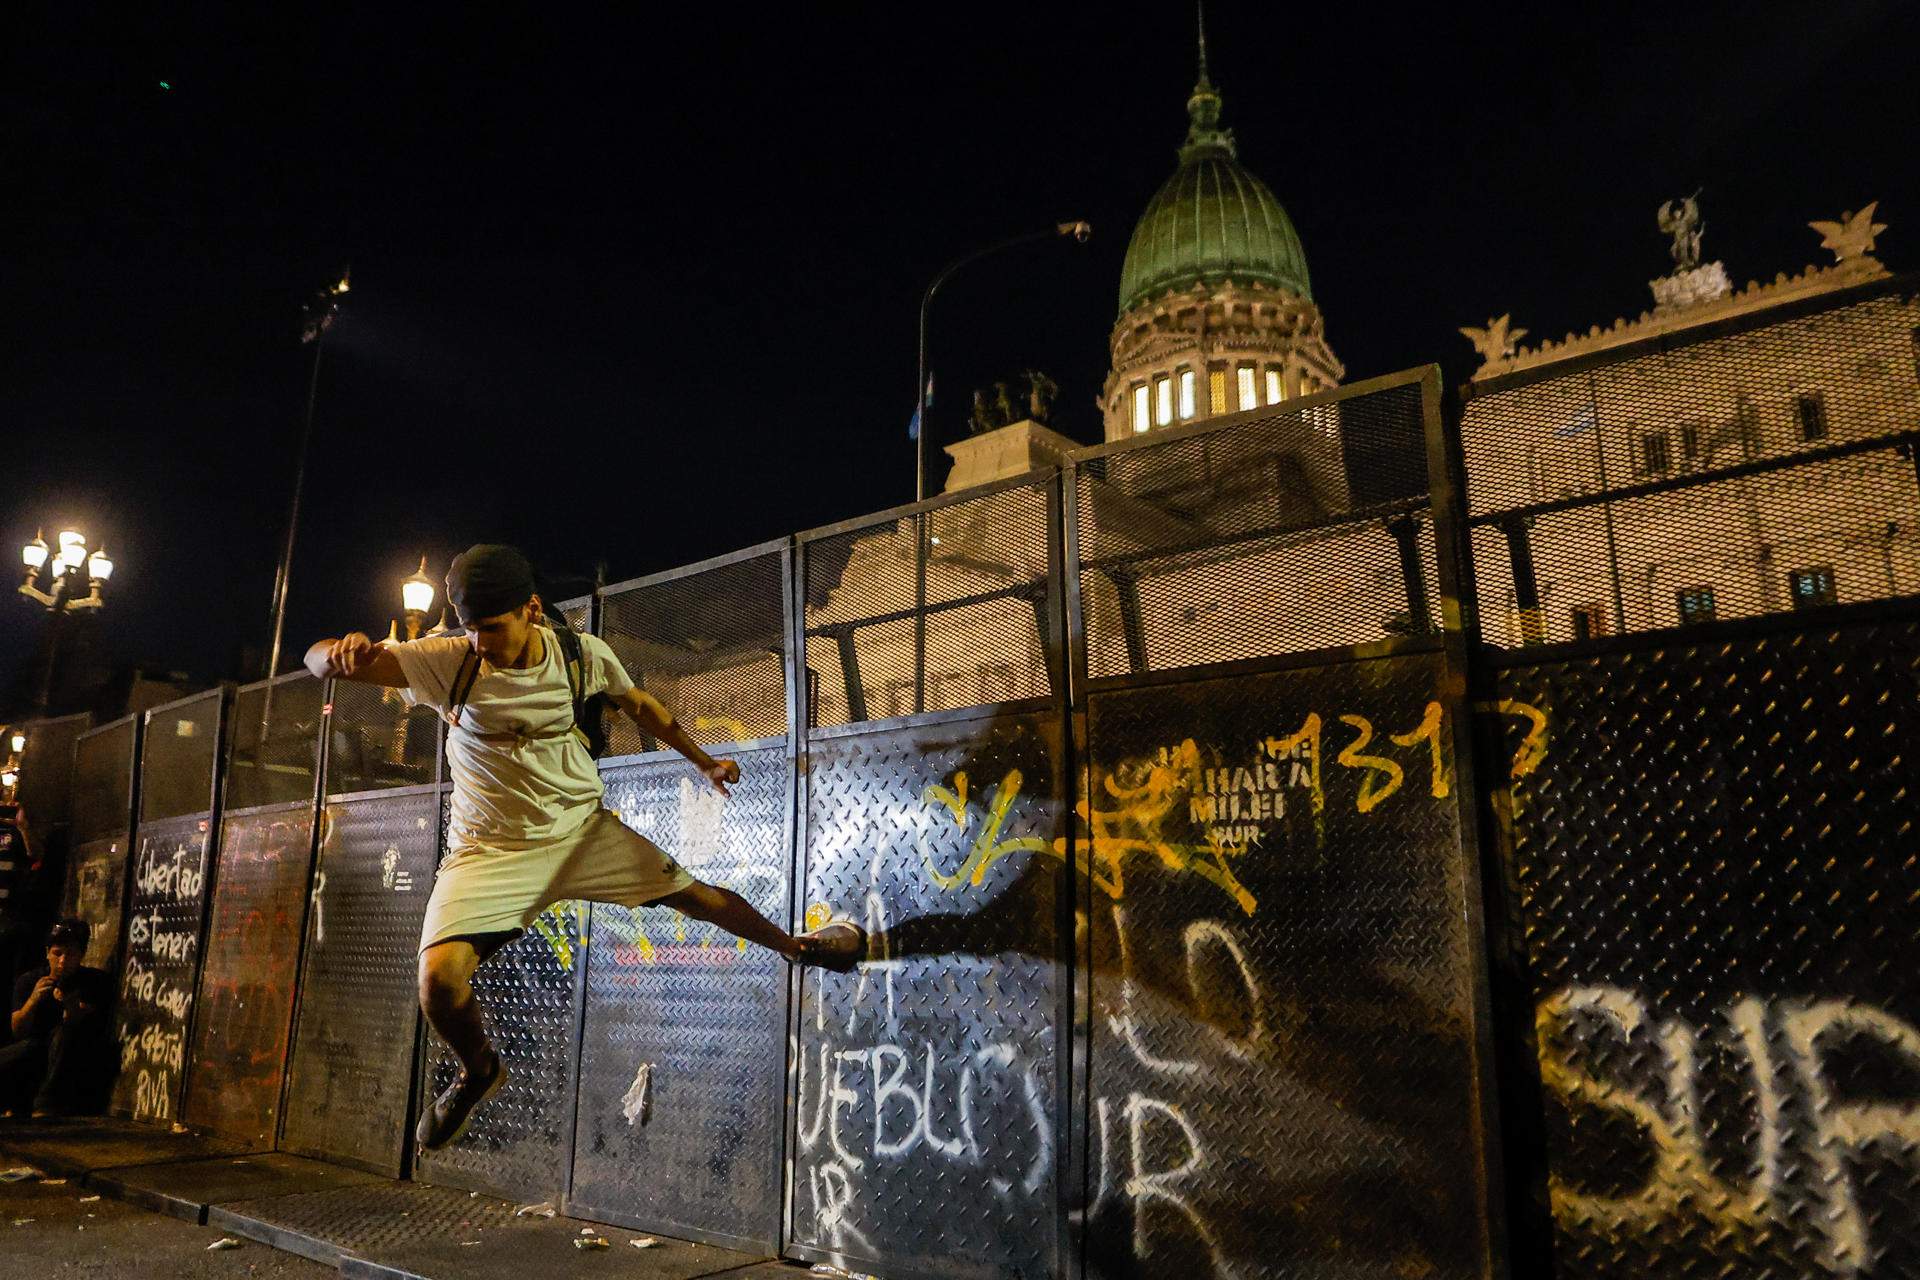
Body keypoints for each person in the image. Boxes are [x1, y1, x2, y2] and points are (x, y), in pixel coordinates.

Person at [304, 544, 864, 1152]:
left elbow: (640, 705)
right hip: (488, 851)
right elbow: (318, 661)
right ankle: (479, 1071)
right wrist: (336, 652)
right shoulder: (448, 661)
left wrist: (703, 762)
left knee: (697, 897)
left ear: (531, 610)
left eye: (493, 627)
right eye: (470, 628)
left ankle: (798, 947)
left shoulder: (580, 655)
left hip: (580, 831)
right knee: (438, 982)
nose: (481, 642)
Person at [1, 918, 116, 1117]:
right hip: (35, 1051)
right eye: (57, 953)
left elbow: (86, 1032)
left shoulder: (94, 981)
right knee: (22, 1051)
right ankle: (13, 1102)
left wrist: (71, 1007)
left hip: (72, 1059)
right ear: (47, 953)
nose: (63, 961)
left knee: (63, 1036)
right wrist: (33, 1001)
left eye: (70, 954)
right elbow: (17, 1031)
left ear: (81, 955)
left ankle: (46, 1105)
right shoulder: (29, 980)